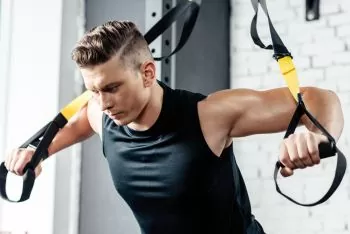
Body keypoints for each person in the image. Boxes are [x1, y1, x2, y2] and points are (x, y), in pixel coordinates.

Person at [4, 20, 344, 234]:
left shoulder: (209, 116)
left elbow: (322, 100)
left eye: (112, 88)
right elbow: (79, 122)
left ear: (148, 73)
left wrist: (312, 135)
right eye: (93, 90)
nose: (103, 102)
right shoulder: (101, 114)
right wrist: (40, 151)